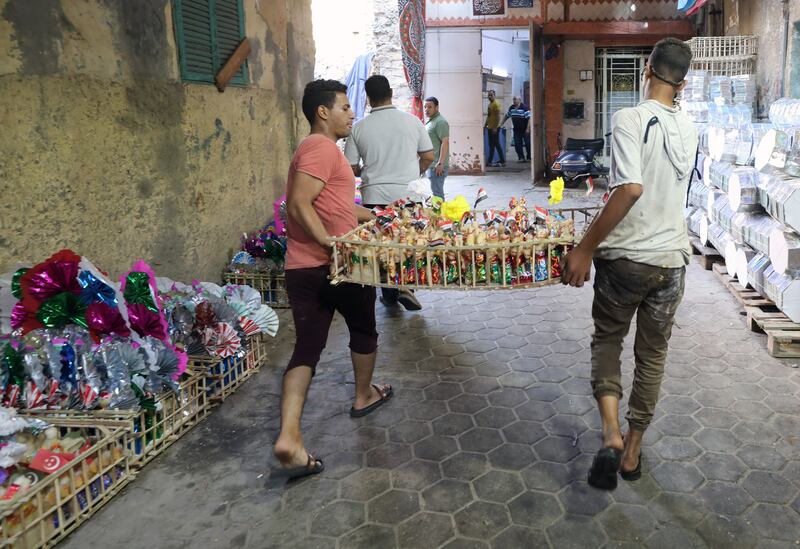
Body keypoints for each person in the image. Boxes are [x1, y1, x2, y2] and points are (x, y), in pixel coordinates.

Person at [561, 38, 698, 491]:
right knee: (652, 356)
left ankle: (612, 434)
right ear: (682, 80)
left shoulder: (629, 118)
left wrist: (584, 247)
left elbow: (629, 189)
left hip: (627, 260)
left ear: (646, 69)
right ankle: (634, 450)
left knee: (608, 341)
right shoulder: (691, 127)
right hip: (672, 262)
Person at [274, 79, 394, 480]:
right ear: (322, 112)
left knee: (307, 348)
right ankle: (363, 396)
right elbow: (298, 203)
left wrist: (380, 218)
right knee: (364, 329)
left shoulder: (325, 152)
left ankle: (290, 437)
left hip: (306, 266)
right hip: (336, 265)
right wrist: (329, 242)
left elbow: (338, 205)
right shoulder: (319, 147)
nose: (351, 113)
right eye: (344, 107)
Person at [344, 74, 434, 311]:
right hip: (409, 195)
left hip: (375, 198)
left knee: (382, 243)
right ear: (391, 93)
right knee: (410, 241)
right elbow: (428, 156)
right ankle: (406, 286)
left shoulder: (359, 128)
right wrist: (415, 173)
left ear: (368, 97)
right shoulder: (413, 121)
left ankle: (390, 294)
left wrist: (367, 169)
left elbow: (350, 167)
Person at [424, 96, 450, 200]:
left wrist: (440, 163)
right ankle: (438, 215)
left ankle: (440, 215)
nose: (426, 109)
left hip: (437, 166)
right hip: (431, 164)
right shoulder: (431, 121)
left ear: (436, 108)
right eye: (425, 107)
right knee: (435, 194)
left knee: (438, 195)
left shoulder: (440, 122)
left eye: (430, 107)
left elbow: (445, 142)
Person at [500, 96, 531, 162]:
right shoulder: (511, 108)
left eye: (515, 99)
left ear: (519, 100)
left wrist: (528, 129)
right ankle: (521, 157)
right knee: (517, 144)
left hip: (525, 129)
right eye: (513, 99)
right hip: (517, 130)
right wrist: (501, 124)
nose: (514, 101)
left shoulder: (524, 108)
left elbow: (529, 119)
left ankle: (529, 157)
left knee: (528, 143)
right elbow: (507, 116)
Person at [484, 90, 505, 167]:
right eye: (489, 95)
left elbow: (498, 116)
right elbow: (489, 116)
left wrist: (496, 127)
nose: (489, 96)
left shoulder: (496, 104)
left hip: (495, 128)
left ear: (494, 95)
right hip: (490, 127)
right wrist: (485, 126)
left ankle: (502, 160)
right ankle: (490, 161)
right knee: (491, 145)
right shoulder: (490, 105)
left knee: (496, 144)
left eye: (491, 95)